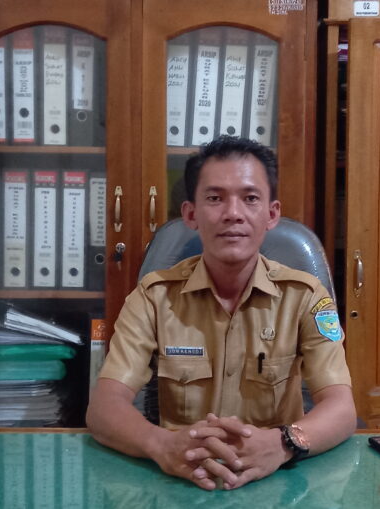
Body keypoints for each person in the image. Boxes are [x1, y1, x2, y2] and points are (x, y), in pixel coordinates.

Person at [86, 136, 356, 491]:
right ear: (191, 214)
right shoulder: (153, 297)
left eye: (250, 198)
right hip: (182, 478)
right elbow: (104, 408)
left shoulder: (304, 296)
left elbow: (341, 407)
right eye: (215, 198)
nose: (233, 213)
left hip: (277, 480)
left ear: (271, 214)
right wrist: (161, 445)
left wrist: (283, 443)